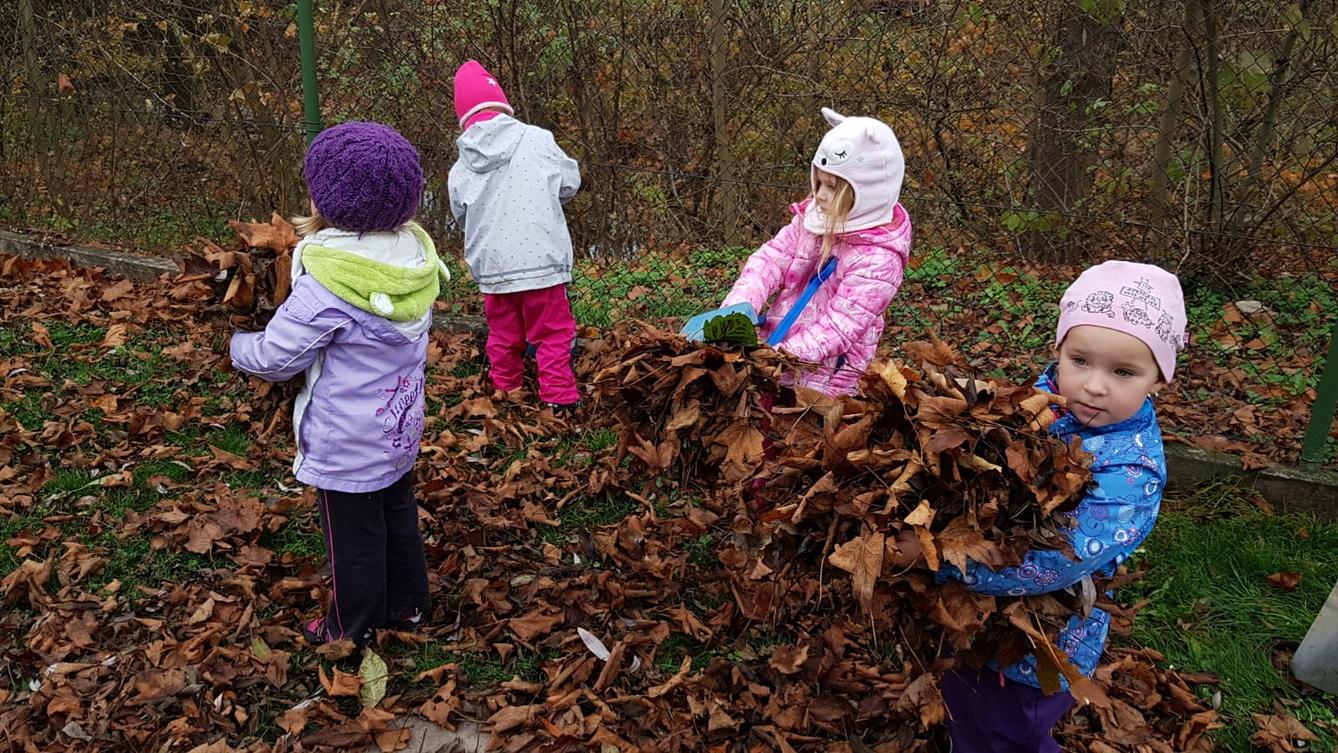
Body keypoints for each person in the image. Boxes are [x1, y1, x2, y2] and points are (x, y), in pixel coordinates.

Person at [897, 260, 1188, 752]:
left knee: (1011, 728)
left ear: (1158, 380)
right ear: (1058, 351)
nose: (1094, 385)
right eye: (1080, 361)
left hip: (1039, 643)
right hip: (979, 616)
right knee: (966, 706)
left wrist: (939, 559)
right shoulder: (1043, 399)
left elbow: (1055, 561)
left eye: (1123, 372)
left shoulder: (1130, 472)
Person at [230, 121, 447, 646]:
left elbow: (279, 356)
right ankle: (410, 606)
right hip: (398, 425)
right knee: (397, 516)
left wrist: (236, 346)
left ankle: (349, 627)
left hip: (346, 439)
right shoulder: (413, 260)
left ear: (324, 197)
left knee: (352, 536)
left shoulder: (332, 281)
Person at [716, 106, 912, 396]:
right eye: (818, 181)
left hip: (825, 375)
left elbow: (841, 326)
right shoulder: (813, 219)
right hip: (779, 345)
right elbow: (770, 259)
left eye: (832, 187)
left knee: (802, 433)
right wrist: (740, 306)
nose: (819, 194)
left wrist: (783, 355)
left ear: (868, 192)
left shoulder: (878, 259)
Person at [448, 60, 582, 411]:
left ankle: (506, 392)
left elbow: (459, 211)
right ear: (502, 103)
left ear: (462, 114)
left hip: (494, 268)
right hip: (542, 260)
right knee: (552, 332)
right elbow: (569, 181)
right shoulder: (538, 140)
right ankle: (559, 397)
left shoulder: (462, 165)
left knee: (504, 334)